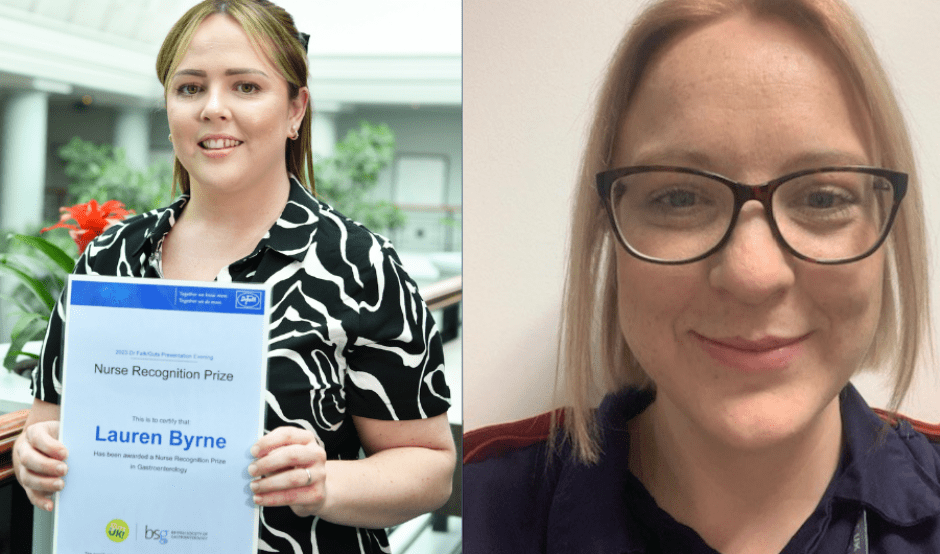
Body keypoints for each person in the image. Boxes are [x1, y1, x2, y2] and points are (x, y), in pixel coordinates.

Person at [464, 0, 940, 552]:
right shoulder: (481, 506)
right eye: (679, 197)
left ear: (888, 227)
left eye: (823, 198)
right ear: (606, 230)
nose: (752, 275)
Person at [13, 1, 455, 552]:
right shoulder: (110, 256)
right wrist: (34, 456)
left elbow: (430, 466)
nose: (213, 108)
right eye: (190, 88)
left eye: (246, 86)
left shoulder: (358, 265)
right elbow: (49, 422)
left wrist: (321, 483)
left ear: (296, 109)